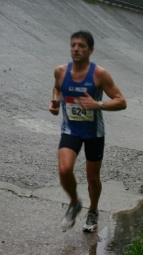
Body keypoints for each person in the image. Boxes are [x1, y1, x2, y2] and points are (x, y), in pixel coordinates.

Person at [49, 31, 127, 233]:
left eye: (81, 45)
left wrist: (97, 104)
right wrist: (55, 101)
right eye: (73, 45)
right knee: (65, 170)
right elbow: (57, 88)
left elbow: (121, 101)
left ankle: (93, 210)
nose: (76, 48)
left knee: (92, 178)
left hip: (94, 132)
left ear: (90, 50)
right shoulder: (60, 71)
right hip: (71, 129)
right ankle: (75, 203)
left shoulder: (99, 74)